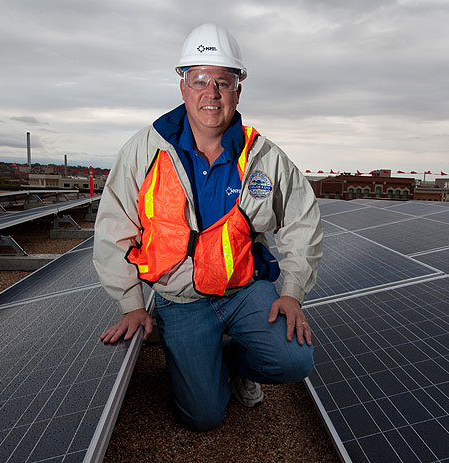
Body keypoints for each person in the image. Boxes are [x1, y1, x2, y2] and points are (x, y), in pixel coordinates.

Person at [93, 23, 322, 431]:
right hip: (181, 301)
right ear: (183, 86)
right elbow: (114, 228)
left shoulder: (262, 156)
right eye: (199, 80)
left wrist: (292, 293)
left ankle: (237, 363)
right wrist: (130, 303)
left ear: (239, 89)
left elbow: (302, 222)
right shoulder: (145, 150)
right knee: (204, 417)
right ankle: (205, 366)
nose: (211, 93)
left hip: (244, 290)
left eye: (224, 81)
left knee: (294, 360)